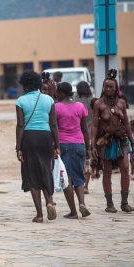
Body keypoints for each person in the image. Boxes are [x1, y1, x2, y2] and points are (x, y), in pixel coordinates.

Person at [15, 71, 58, 223]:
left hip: (29, 138)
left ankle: (39, 215)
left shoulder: (20, 101)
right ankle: (49, 201)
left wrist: (18, 147)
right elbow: (53, 124)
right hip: (46, 138)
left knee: (32, 175)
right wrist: (56, 145)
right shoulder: (49, 100)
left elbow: (20, 125)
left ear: (25, 86)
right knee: (45, 170)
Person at [92, 69, 134, 213]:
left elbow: (127, 124)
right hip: (106, 141)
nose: (108, 89)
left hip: (121, 140)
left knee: (125, 169)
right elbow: (94, 125)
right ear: (103, 88)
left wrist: (132, 141)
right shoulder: (98, 103)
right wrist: (92, 144)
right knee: (107, 172)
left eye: (111, 86)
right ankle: (109, 203)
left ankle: (124, 202)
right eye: (106, 86)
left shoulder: (122, 103)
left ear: (116, 88)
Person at [55, 82, 91, 219]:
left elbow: (54, 127)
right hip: (79, 144)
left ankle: (73, 212)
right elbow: (85, 130)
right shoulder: (80, 107)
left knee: (66, 179)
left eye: (58, 92)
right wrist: (88, 148)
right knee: (79, 177)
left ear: (61, 93)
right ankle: (82, 203)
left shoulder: (56, 107)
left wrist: (55, 147)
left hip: (63, 145)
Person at [74, 81, 94, 194]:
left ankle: (78, 184)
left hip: (77, 135)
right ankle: (85, 186)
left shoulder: (75, 102)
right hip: (91, 135)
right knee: (88, 161)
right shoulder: (93, 101)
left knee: (78, 161)